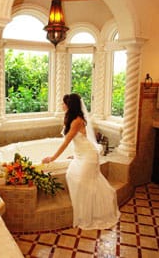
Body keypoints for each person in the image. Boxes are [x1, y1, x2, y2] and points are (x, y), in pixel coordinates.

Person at [42, 93, 120, 230]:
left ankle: (92, 214)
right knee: (71, 175)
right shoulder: (70, 118)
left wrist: (52, 158)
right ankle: (84, 209)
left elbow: (66, 142)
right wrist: (75, 154)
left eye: (64, 103)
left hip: (89, 156)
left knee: (84, 182)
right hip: (80, 154)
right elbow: (77, 141)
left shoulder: (77, 120)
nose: (62, 105)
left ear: (69, 105)